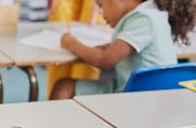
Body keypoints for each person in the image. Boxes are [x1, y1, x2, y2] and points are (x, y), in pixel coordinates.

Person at [50, 0, 196, 99]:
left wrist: (73, 44)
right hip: (153, 94)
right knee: (64, 85)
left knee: (63, 87)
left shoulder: (144, 18)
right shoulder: (151, 13)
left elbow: (105, 60)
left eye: (101, 5)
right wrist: (110, 47)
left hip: (137, 96)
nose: (101, 13)